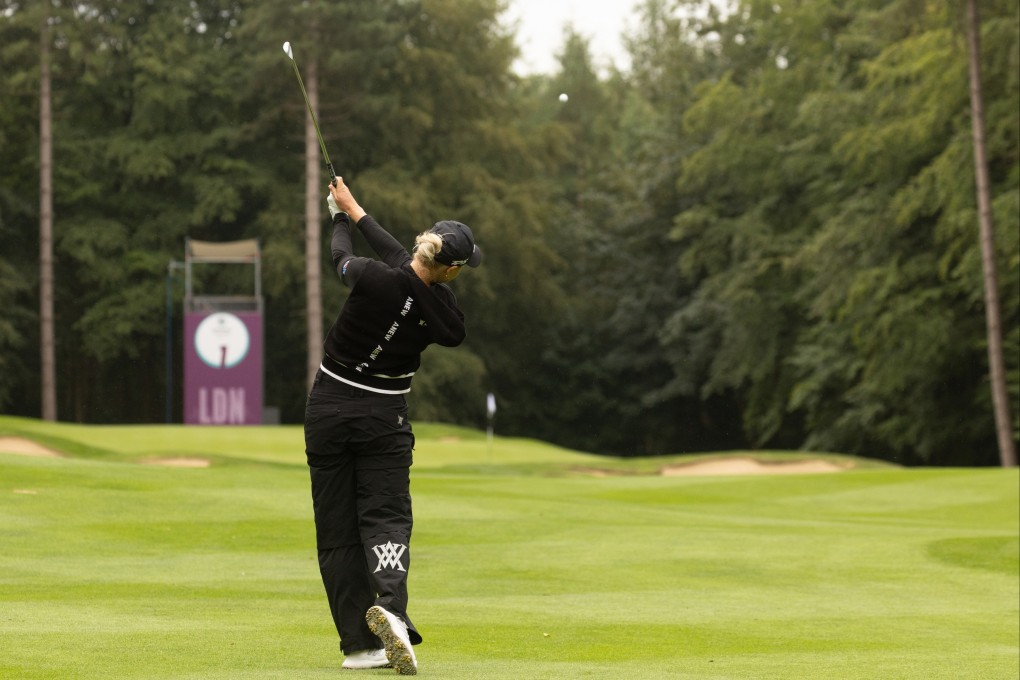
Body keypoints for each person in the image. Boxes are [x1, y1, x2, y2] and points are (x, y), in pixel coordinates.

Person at [303, 176, 481, 675]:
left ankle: (359, 646)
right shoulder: (445, 314)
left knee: (336, 530)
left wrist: (340, 221)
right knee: (384, 515)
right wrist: (357, 210)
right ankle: (392, 608)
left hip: (329, 410)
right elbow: (410, 268)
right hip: (383, 416)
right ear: (450, 270)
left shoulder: (372, 277)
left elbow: (340, 258)